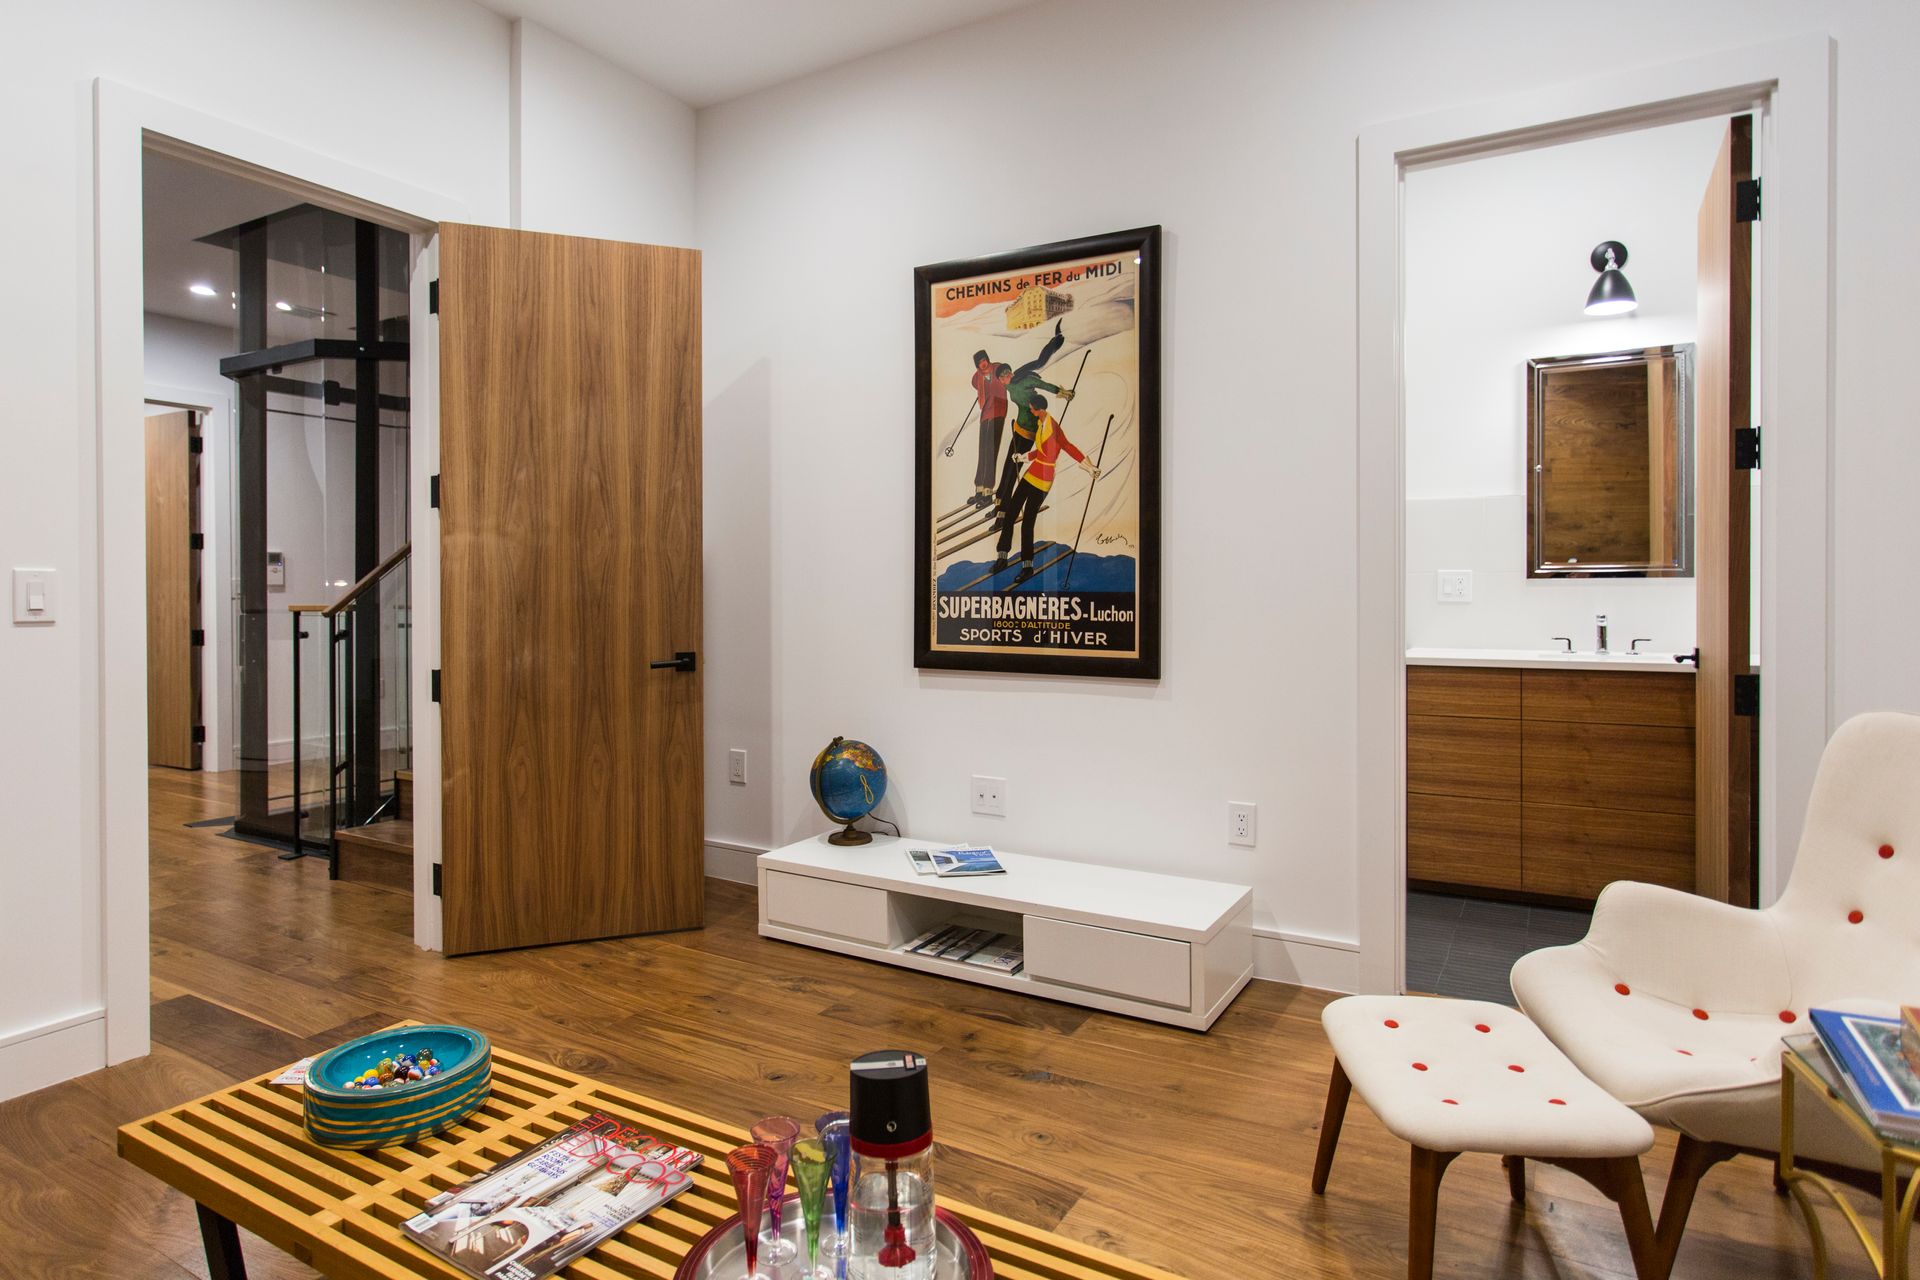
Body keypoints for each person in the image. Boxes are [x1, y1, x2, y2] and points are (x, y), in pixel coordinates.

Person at [993, 390, 1098, 578]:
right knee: (1011, 512)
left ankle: (1027, 566)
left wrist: (1088, 467)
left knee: (1028, 522)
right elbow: (1039, 451)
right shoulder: (1041, 422)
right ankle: (1002, 556)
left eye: (1032, 410)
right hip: (1032, 472)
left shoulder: (1053, 427)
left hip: (1044, 479)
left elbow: (1068, 447)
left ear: (1038, 409)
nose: (1031, 412)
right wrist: (1022, 457)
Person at [996, 320, 1073, 506]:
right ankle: (999, 499)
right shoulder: (1009, 387)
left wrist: (1062, 393)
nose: (1007, 376)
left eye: (1008, 373)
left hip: (1030, 431)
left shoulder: (1025, 380)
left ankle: (1005, 505)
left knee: (1016, 465)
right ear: (1001, 381)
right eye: (1003, 376)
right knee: (1008, 464)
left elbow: (1043, 385)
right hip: (1018, 428)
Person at [967, 351, 1012, 507]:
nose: (983, 364)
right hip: (986, 414)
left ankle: (987, 492)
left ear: (988, 359)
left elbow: (1007, 377)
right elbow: (974, 383)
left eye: (984, 360)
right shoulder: (977, 376)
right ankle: (979, 489)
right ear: (977, 365)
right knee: (983, 451)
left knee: (991, 451)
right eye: (980, 362)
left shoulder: (997, 368)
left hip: (998, 412)